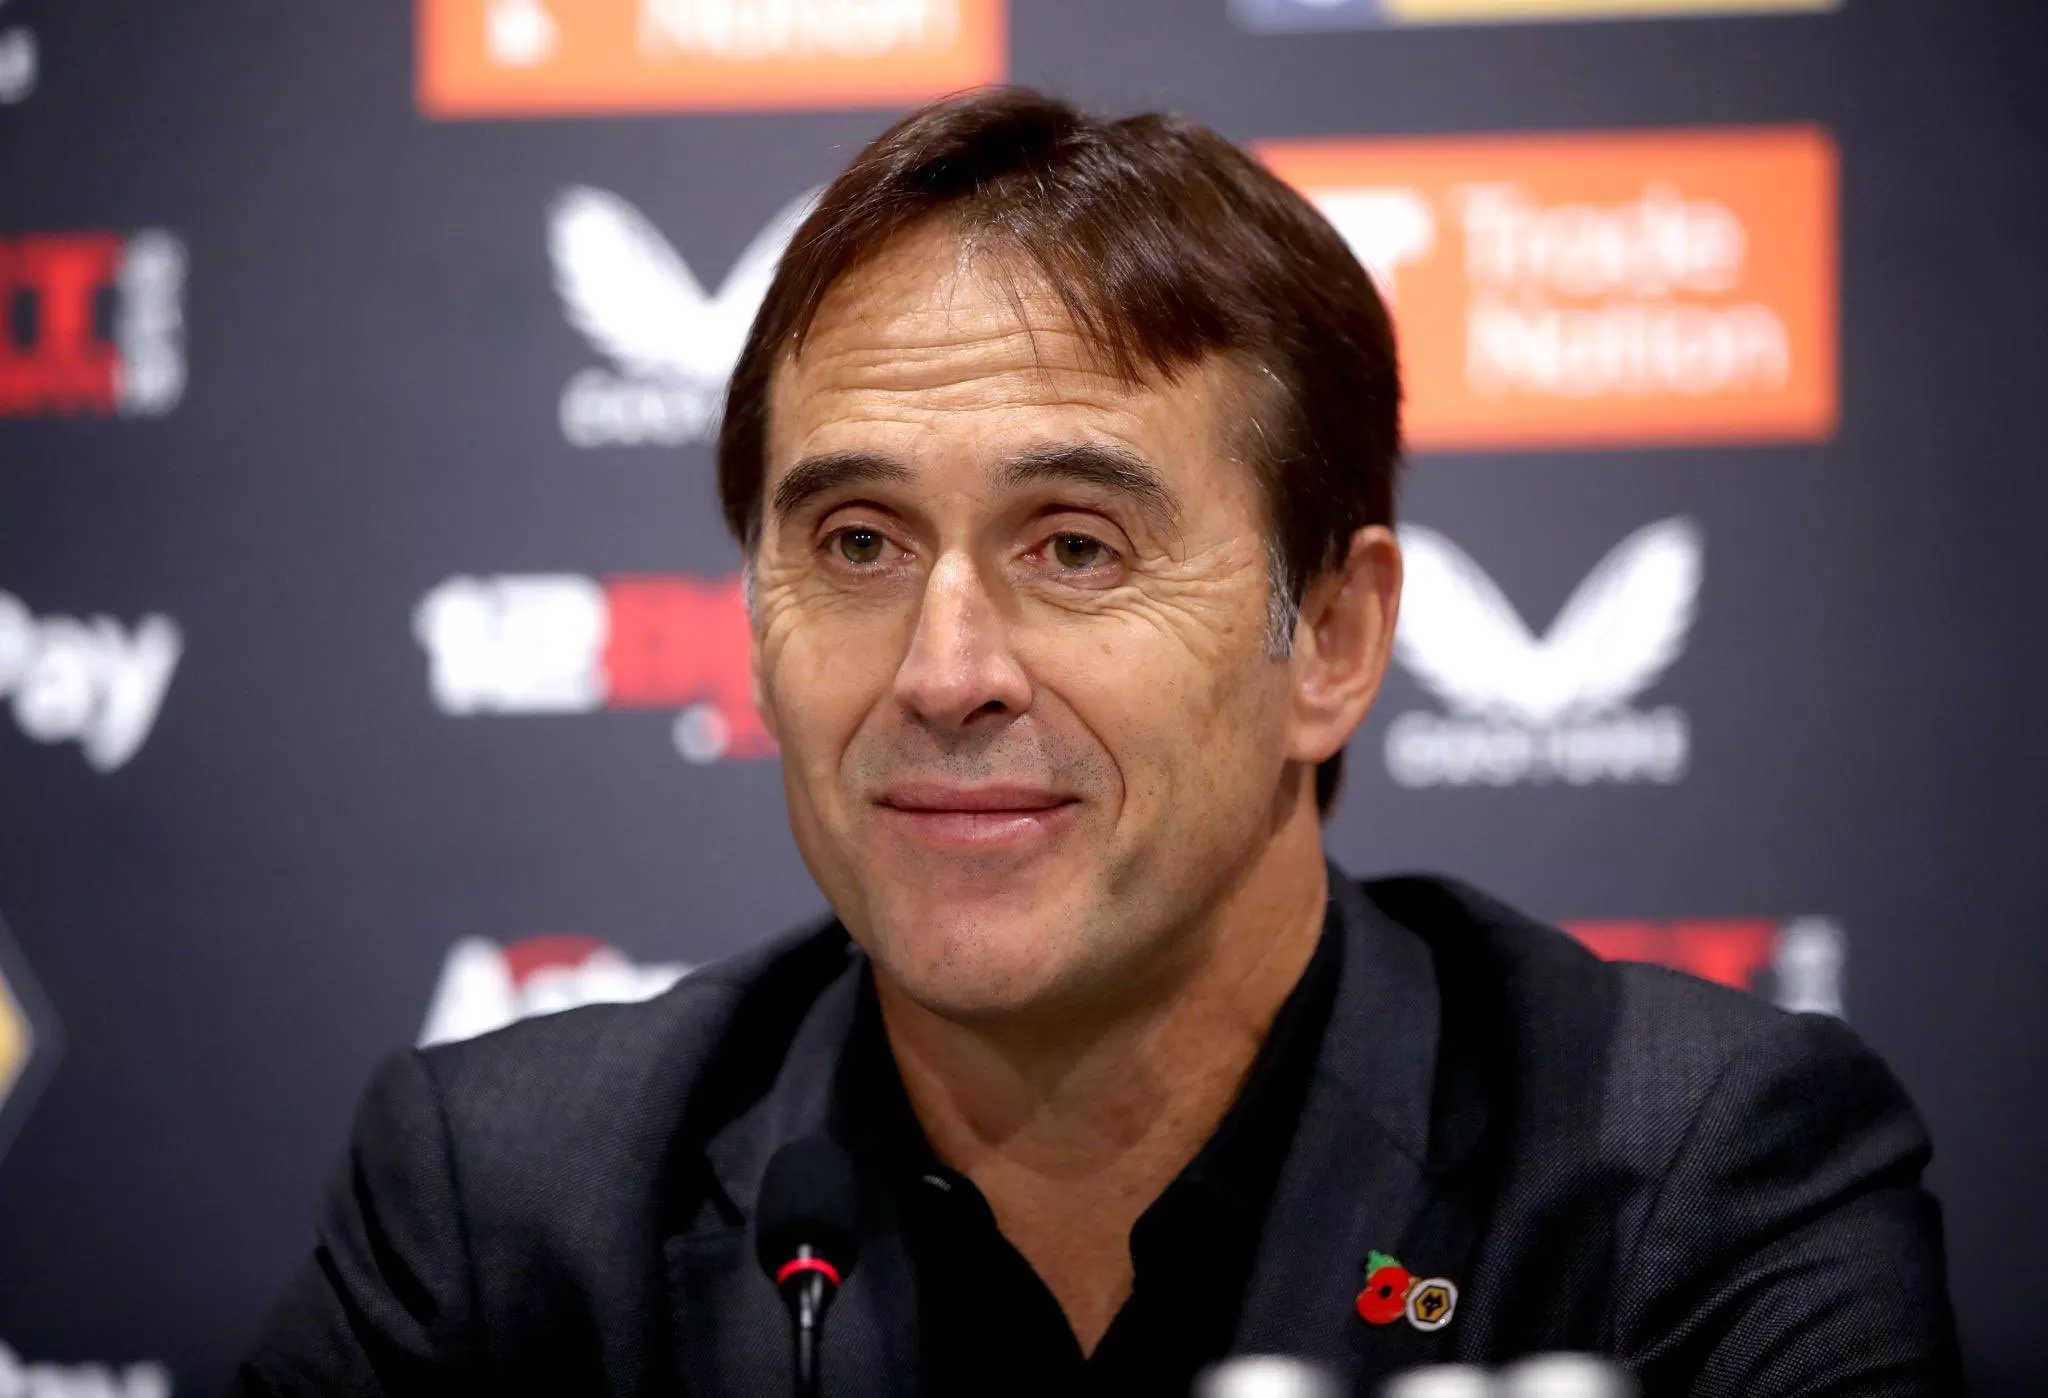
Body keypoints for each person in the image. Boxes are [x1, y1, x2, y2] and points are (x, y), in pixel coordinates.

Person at [233, 88, 1958, 1397]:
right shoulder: (508, 1205)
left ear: (1333, 639)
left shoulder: (1689, 1178)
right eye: (857, 543)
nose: (945, 672)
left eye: (1076, 546)